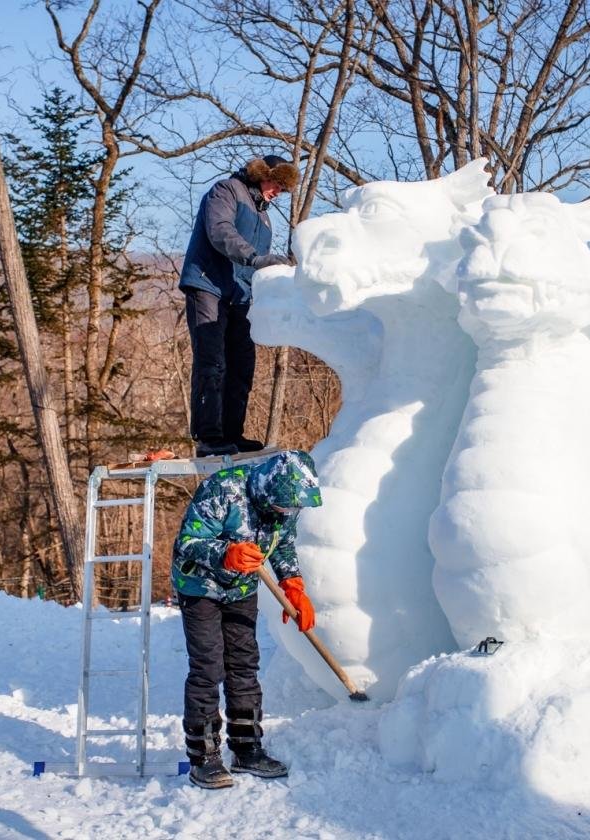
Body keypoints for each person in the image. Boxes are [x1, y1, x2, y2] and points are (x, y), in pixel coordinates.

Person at [171, 449, 323, 789]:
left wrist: (293, 585)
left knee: (244, 665)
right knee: (209, 667)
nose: (289, 512)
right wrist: (226, 553)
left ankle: (247, 748)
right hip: (200, 586)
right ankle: (204, 758)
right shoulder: (223, 489)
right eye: (285, 506)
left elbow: (282, 545)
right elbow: (188, 542)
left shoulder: (285, 502)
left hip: (241, 590)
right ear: (270, 491)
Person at [179, 155, 298, 457]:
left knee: (242, 365)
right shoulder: (227, 190)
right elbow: (220, 231)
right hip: (208, 284)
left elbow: (259, 265)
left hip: (240, 295)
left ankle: (233, 434)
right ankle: (209, 437)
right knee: (212, 361)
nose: (278, 192)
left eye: (284, 189)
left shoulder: (265, 219)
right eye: (277, 184)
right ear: (261, 175)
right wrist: (256, 259)